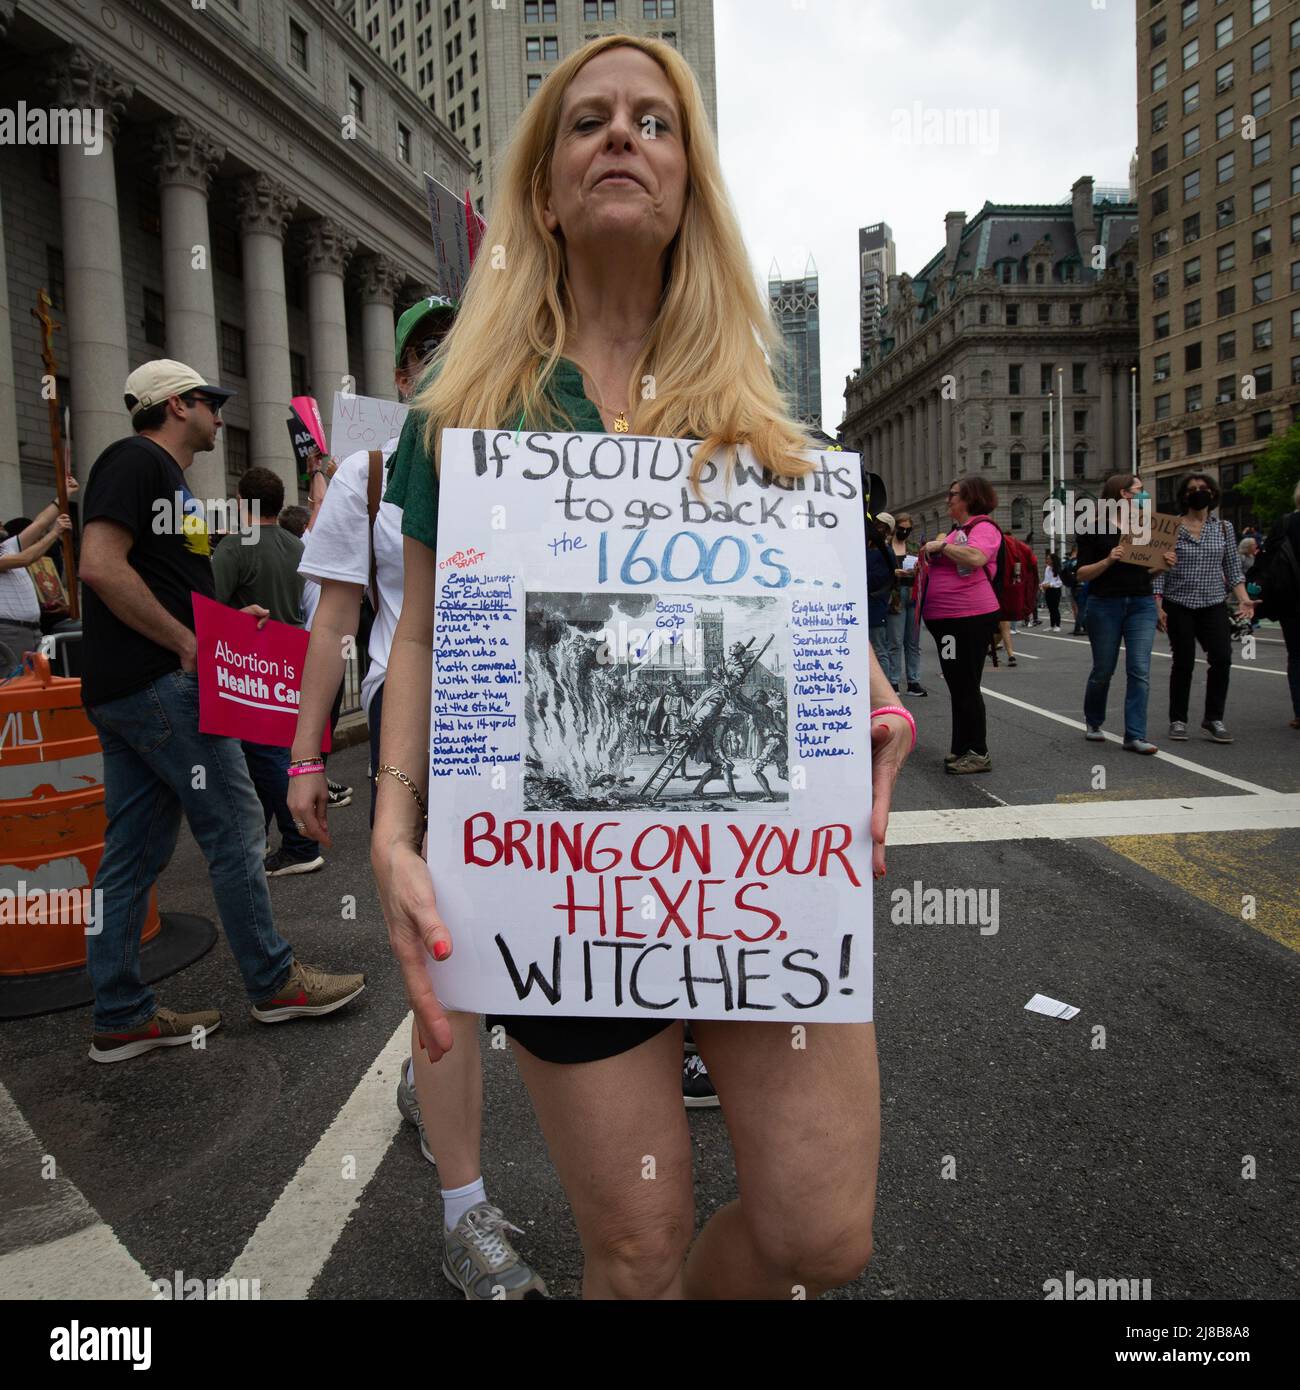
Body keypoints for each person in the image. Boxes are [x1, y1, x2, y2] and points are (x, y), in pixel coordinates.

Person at [373, 35, 914, 1300]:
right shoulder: (459, 419)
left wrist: (875, 710)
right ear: (546, 191)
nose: (622, 135)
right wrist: (392, 830)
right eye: (587, 120)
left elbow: (817, 637)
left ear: (691, 189)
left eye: (655, 123)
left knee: (820, 1234)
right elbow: (415, 633)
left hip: (757, 893)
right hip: (555, 894)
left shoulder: (762, 433)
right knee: (632, 1248)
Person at [287, 299, 546, 1299]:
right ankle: (463, 1214)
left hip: (534, 727)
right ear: (398, 381)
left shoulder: (541, 451)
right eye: (421, 351)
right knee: (457, 966)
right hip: (425, 730)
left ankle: (427, 1085)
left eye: (458, 342)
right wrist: (305, 758)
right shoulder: (374, 472)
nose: (442, 362)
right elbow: (334, 623)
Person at [77, 358, 364, 1063]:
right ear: (177, 405)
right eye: (210, 401)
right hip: (158, 686)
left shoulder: (161, 478)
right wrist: (185, 643)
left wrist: (225, 623)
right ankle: (273, 983)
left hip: (133, 691)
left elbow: (157, 578)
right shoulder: (135, 460)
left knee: (133, 854)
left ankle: (120, 1014)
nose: (220, 413)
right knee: (237, 825)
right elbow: (99, 563)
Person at [213, 467, 323, 876]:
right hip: (293, 653)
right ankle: (273, 838)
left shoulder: (235, 546)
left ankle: (298, 843)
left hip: (252, 661)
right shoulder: (297, 546)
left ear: (243, 501)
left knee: (264, 755)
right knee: (281, 750)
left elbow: (211, 605)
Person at [1154, 472, 1255, 743]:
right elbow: (1159, 572)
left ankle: (1213, 718)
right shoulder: (1170, 527)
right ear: (1183, 496)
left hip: (1213, 603)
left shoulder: (1223, 528)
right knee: (1183, 661)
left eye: (1203, 487)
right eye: (1191, 489)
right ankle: (1178, 719)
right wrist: (1158, 605)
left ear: (1213, 493)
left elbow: (1233, 569)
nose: (1198, 492)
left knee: (1222, 658)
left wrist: (1243, 598)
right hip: (1179, 604)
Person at [1075, 472, 1172, 754]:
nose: (1143, 496)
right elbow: (1082, 574)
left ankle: (1135, 735)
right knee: (1104, 669)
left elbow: (1146, 573)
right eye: (1138, 490)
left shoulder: (1146, 527)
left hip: (1141, 604)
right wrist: (1108, 559)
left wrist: (1163, 565)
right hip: (1105, 604)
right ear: (1122, 494)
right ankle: (1094, 721)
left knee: (1139, 669)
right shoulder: (1094, 528)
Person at [919, 475, 1002, 773]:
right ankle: (961, 748)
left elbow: (976, 557)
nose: (948, 499)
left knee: (966, 684)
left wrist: (941, 547)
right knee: (957, 684)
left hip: (968, 618)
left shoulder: (984, 528)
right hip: (948, 622)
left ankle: (977, 752)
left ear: (970, 497)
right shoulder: (958, 532)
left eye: (953, 494)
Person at [279, 502, 352, 809]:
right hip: (310, 648)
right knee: (320, 720)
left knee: (315, 721)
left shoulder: (306, 550)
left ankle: (314, 774)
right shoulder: (304, 551)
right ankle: (311, 773)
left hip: (299, 648)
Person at [0, 491, 75, 669]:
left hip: (33, 630)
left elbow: (41, 522)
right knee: (14, 686)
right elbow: (25, 559)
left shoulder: (7, 547)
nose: (1, 522)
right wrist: (55, 533)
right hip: (8, 633)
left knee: (38, 684)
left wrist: (64, 493)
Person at [1256, 480, 1300, 729]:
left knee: (1296, 655)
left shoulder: (1284, 524)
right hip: (1291, 600)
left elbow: (1267, 562)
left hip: (1290, 600)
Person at [885, 512, 925, 695]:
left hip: (913, 593)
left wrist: (918, 570)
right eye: (901, 529)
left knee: (913, 642)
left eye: (908, 529)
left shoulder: (914, 547)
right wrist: (896, 572)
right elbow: (879, 570)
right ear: (894, 529)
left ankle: (913, 681)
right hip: (895, 596)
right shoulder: (886, 547)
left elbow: (925, 570)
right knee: (895, 641)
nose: (905, 532)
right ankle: (893, 681)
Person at [867, 514, 897, 688]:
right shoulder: (866, 549)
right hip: (866, 604)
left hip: (876, 603)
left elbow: (882, 578)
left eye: (880, 526)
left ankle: (886, 687)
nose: (876, 528)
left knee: (879, 647)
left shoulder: (885, 552)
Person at [1061, 544, 1086, 634]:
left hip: (1073, 586)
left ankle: (1083, 627)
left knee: (1077, 608)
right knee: (1082, 608)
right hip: (1080, 585)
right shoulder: (1077, 561)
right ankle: (1078, 628)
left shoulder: (1067, 561)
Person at [1040, 551, 1064, 631]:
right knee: (1050, 608)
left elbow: (1060, 582)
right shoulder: (1047, 568)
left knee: (1055, 607)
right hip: (1048, 590)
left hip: (1055, 590)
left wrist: (1050, 584)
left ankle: (1057, 625)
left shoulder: (1058, 569)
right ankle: (1052, 625)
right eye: (1047, 559)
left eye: (1048, 559)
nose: (1047, 560)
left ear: (1053, 560)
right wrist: (1042, 585)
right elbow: (1046, 580)